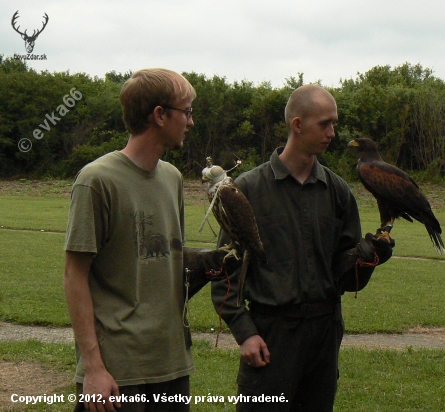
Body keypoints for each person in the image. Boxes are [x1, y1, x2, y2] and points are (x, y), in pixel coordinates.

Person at [211, 84, 394, 411]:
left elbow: (345, 278)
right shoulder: (248, 189)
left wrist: (369, 258)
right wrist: (245, 332)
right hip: (271, 333)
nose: (333, 133)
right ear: (297, 124)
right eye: (325, 124)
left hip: (324, 333)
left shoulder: (338, 191)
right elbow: (224, 269)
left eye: (334, 123)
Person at [64, 68, 224, 412]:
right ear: (159, 115)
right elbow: (74, 276)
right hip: (118, 371)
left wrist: (210, 261)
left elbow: (168, 256)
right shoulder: (96, 181)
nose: (191, 122)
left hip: (171, 362)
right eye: (187, 112)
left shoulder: (172, 178)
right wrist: (93, 368)